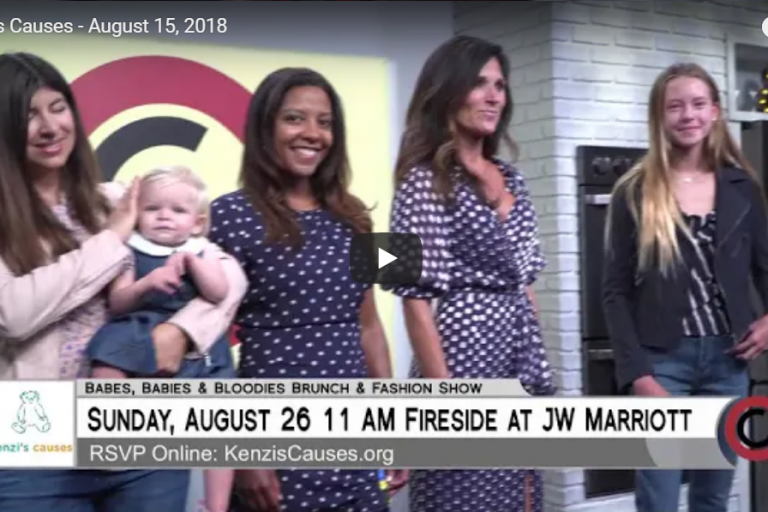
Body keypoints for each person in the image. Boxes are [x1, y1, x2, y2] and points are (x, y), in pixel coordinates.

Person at [0, 52, 247, 512]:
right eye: (29, 115)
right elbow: (12, 314)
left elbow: (226, 273)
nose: (50, 127)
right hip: (35, 441)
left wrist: (178, 332)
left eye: (58, 108)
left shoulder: (116, 199)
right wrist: (112, 238)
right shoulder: (111, 220)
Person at [209, 67, 407, 512]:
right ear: (265, 127)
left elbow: (370, 328)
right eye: (294, 118)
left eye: (325, 122)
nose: (313, 133)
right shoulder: (227, 217)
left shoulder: (357, 217)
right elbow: (208, 348)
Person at [381, 35, 556, 512]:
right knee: (463, 493)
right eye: (480, 83)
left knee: (522, 494)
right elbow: (413, 300)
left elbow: (525, 282)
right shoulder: (419, 179)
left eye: (500, 85)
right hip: (459, 358)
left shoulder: (514, 178)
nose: (494, 95)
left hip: (516, 357)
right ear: (448, 90)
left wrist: (535, 364)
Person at [602, 62, 768, 512]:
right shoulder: (633, 190)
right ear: (659, 116)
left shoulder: (742, 187)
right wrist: (638, 374)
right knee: (658, 497)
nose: (688, 115)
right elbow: (615, 291)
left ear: (715, 111)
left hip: (728, 361)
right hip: (662, 363)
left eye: (698, 104)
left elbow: (764, 267)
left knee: (713, 497)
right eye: (674, 106)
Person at [87, 166, 236, 512]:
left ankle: (217, 504)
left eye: (178, 210)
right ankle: (109, 437)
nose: (164, 216)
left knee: (224, 415)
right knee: (106, 360)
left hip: (196, 340)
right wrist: (147, 283)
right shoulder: (129, 250)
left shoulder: (203, 250)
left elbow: (219, 292)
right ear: (136, 214)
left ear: (197, 223)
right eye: (153, 208)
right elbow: (117, 301)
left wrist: (192, 264)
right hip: (138, 324)